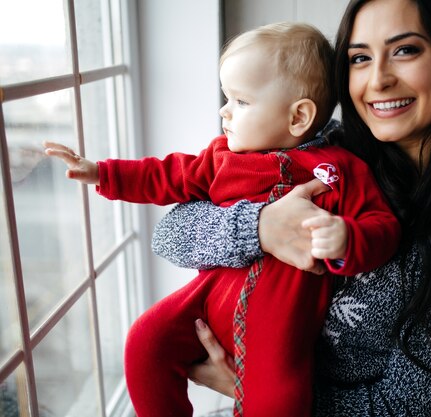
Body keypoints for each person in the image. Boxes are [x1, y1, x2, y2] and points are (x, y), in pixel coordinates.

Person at [151, 0, 431, 416]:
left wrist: (253, 390)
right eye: (360, 58)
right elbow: (169, 235)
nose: (378, 79)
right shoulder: (321, 150)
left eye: (405, 50)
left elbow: (402, 406)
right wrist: (260, 228)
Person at [44, 22, 401, 417]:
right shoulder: (221, 158)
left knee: (280, 402)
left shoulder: (339, 169)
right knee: (145, 342)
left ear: (298, 117)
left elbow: (383, 226)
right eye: (226, 97)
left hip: (279, 327)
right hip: (207, 297)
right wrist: (103, 173)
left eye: (241, 101)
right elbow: (166, 175)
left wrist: (347, 239)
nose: (224, 111)